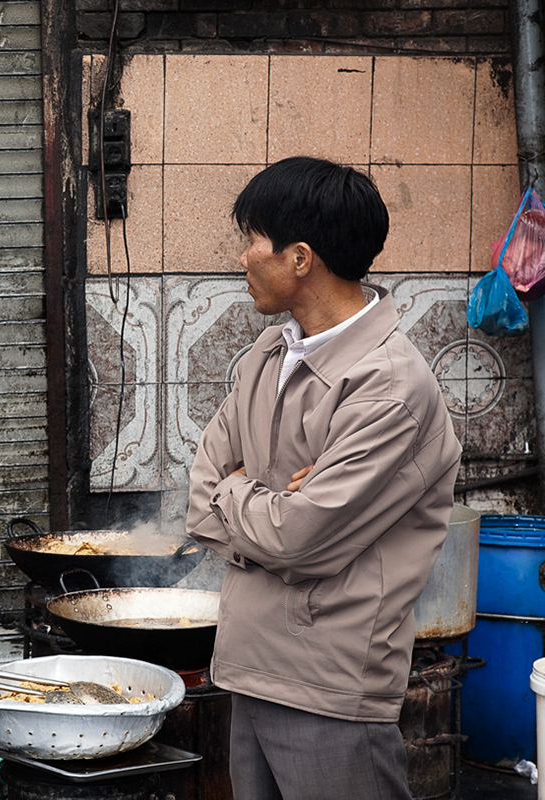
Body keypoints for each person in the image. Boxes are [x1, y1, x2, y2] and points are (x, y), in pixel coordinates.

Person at [185, 156, 462, 800]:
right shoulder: (266, 356)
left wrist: (245, 493)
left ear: (300, 257)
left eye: (252, 239)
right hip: (249, 667)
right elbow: (199, 503)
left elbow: (298, 539)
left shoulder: (389, 385)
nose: (243, 257)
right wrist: (271, 500)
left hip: (329, 686)